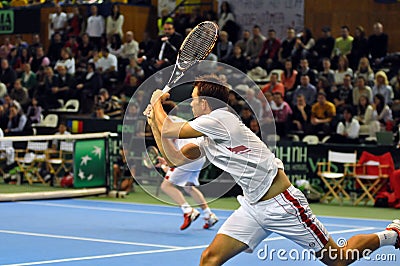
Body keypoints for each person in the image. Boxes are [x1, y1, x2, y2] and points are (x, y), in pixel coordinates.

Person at [145, 74, 400, 265]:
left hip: (283, 205)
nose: (190, 104)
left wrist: (157, 103)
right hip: (253, 207)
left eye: (193, 100)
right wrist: (152, 120)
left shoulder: (220, 119)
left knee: (338, 259)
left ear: (206, 103)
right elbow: (175, 157)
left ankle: (391, 234)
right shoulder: (208, 136)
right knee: (209, 259)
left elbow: (170, 129)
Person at [155, 101, 219, 230]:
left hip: (187, 156)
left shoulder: (165, 125)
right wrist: (168, 162)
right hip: (199, 155)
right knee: (189, 186)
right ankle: (209, 215)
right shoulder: (180, 120)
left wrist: (168, 161)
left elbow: (172, 149)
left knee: (166, 186)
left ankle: (188, 211)